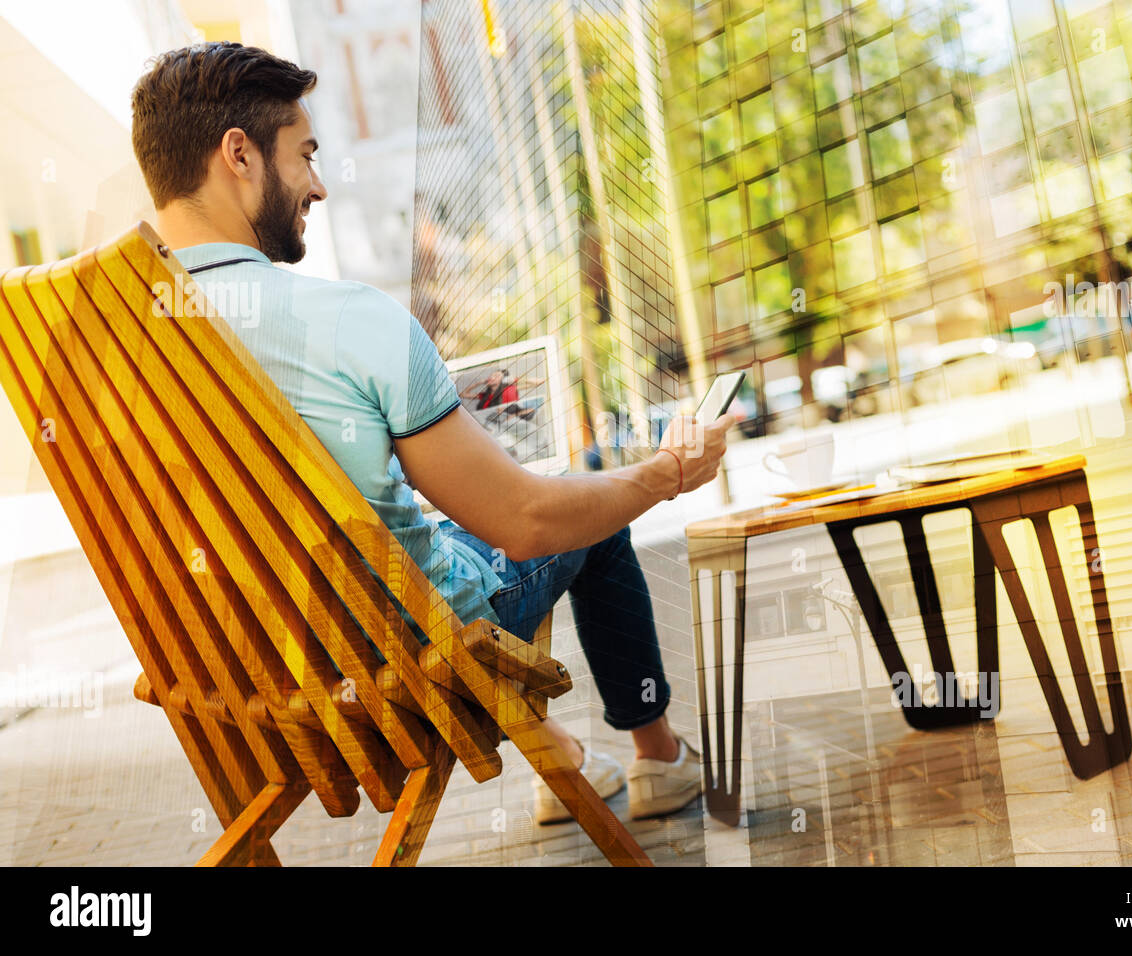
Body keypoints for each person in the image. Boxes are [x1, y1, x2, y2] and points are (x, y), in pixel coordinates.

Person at [130, 42, 735, 824]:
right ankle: (660, 760)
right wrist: (665, 475)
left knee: (441, 528)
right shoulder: (348, 317)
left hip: (238, 687)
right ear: (237, 154)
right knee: (588, 514)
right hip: (403, 667)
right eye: (304, 156)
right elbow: (525, 524)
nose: (317, 185)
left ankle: (569, 761)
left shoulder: (113, 351)